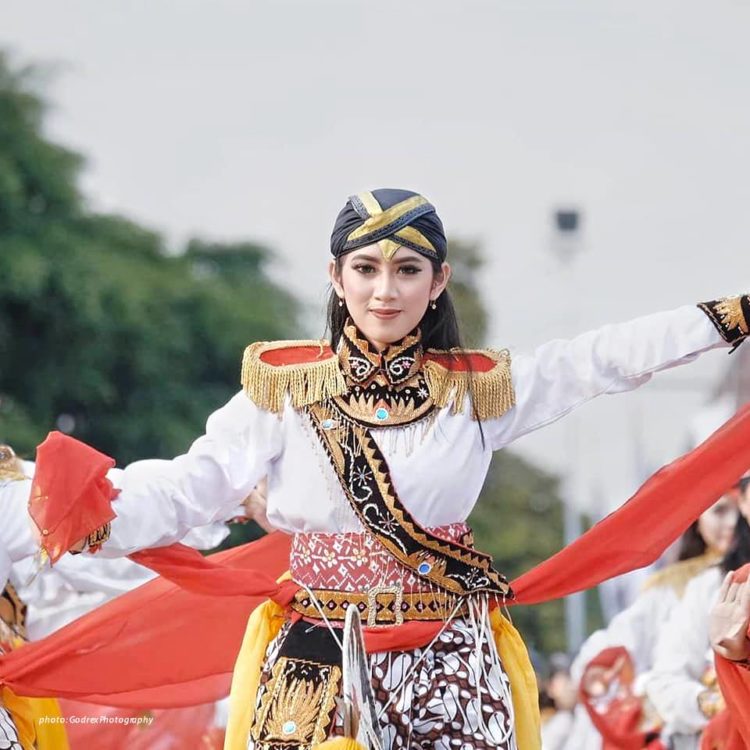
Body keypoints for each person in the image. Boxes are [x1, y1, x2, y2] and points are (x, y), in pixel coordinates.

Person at [20, 189, 750, 750]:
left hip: (448, 651)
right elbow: (194, 483)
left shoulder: (477, 390)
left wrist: (730, 316)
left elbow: (600, 359)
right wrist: (98, 508)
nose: (385, 291)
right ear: (336, 277)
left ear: (438, 282)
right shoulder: (284, 387)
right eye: (366, 269)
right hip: (314, 656)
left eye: (407, 270)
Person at [566, 493, 739, 750]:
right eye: (720, 511)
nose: (733, 522)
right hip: (688, 729)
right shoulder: (672, 586)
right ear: (698, 518)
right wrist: (603, 669)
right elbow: (617, 645)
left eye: (741, 508)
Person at [645, 476, 750, 749]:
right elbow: (665, 680)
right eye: (719, 510)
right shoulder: (714, 585)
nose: (728, 523)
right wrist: (716, 702)